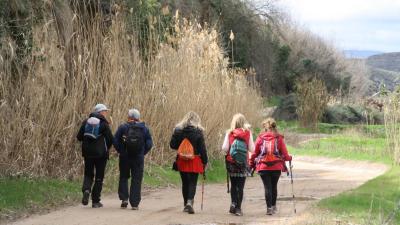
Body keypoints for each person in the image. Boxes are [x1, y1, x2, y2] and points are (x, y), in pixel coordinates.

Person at [249, 118, 292, 215]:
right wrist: (289, 158)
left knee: (267, 187)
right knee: (274, 187)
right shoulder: (279, 138)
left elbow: (255, 153)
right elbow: (285, 155)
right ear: (275, 127)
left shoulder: (260, 138)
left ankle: (269, 208)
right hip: (276, 167)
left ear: (264, 127)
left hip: (263, 167)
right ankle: (273, 206)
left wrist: (251, 165)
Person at [113, 108, 153, 210]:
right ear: (138, 118)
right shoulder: (144, 128)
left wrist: (121, 150)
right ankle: (134, 204)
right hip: (138, 158)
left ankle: (124, 199)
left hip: (125, 157)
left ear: (129, 117)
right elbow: (149, 143)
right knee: (136, 179)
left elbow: (115, 140)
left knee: (123, 177)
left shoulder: (123, 127)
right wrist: (142, 152)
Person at [170, 111, 208, 214]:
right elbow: (202, 149)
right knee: (192, 182)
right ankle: (190, 202)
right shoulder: (198, 132)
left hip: (182, 159)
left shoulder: (178, 130)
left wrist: (177, 138)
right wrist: (205, 161)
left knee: (185, 182)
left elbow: (172, 145)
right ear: (196, 120)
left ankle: (185, 203)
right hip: (194, 160)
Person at [76, 103, 113, 208]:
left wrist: (87, 142)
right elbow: (110, 139)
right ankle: (95, 201)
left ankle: (86, 190)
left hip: (87, 153)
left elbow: (79, 137)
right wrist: (106, 149)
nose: (106, 113)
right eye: (105, 111)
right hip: (101, 155)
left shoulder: (86, 122)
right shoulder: (104, 124)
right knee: (99, 177)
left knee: (88, 174)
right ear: (100, 112)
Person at [222, 113, 254, 216]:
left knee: (233, 184)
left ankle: (233, 203)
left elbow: (224, 148)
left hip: (231, 162)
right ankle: (238, 209)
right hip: (243, 163)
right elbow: (252, 149)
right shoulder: (248, 133)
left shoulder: (229, 133)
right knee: (240, 186)